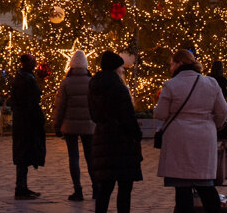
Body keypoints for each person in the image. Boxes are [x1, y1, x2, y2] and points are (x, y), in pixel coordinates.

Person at [156, 49, 227, 213]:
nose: (170, 67)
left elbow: (161, 113)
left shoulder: (171, 84)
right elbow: (223, 111)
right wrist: (212, 125)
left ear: (179, 63)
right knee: (206, 185)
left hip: (179, 137)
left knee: (182, 188)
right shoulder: (211, 83)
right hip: (205, 136)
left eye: (172, 64)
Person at [91, 52, 143, 213]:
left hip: (102, 138)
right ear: (116, 68)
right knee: (124, 188)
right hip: (122, 142)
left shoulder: (94, 85)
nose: (123, 70)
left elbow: (93, 114)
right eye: (121, 67)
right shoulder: (119, 88)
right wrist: (137, 134)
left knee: (104, 188)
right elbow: (128, 116)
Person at [54, 50, 96, 202]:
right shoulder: (92, 82)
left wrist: (57, 126)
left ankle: (78, 190)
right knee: (90, 157)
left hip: (70, 125)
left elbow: (60, 107)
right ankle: (96, 188)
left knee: (74, 158)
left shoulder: (66, 82)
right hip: (89, 126)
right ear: (85, 66)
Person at [10, 54, 47, 200]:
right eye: (33, 61)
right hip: (26, 123)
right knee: (23, 155)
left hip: (24, 122)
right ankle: (21, 188)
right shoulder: (25, 79)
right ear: (26, 63)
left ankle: (22, 186)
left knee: (23, 156)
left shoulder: (24, 77)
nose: (35, 63)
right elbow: (30, 101)